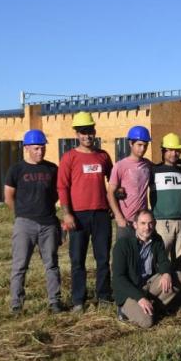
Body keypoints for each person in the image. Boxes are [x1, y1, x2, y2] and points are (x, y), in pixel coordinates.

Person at [58, 111, 113, 312]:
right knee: (77, 260)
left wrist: (115, 202)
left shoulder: (103, 156)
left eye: (89, 131)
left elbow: (113, 182)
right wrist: (67, 213)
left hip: (101, 214)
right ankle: (79, 301)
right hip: (78, 216)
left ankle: (104, 296)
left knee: (103, 258)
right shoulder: (69, 158)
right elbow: (62, 187)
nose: (87, 135)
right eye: (83, 132)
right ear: (77, 134)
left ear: (94, 131)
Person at [4, 129, 63, 314]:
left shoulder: (52, 169)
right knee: (20, 265)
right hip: (25, 224)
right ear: (27, 148)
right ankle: (16, 304)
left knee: (52, 264)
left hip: (48, 224)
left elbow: (56, 194)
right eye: (36, 148)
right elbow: (8, 197)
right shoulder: (16, 170)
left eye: (43, 148)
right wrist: (21, 215)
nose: (40, 152)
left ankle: (55, 301)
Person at [112, 209, 181, 328]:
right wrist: (140, 298)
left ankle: (152, 307)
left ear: (154, 224)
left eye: (150, 223)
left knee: (180, 277)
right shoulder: (123, 245)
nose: (147, 227)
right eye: (143, 223)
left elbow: (163, 260)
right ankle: (124, 310)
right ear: (135, 224)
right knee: (147, 322)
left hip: (149, 284)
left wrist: (166, 273)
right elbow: (119, 278)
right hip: (130, 291)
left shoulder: (156, 239)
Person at [150, 133, 181, 264]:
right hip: (162, 222)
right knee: (161, 258)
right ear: (163, 151)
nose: (174, 153)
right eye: (170, 150)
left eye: (177, 150)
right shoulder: (154, 170)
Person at [107, 126, 153, 239]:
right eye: (139, 145)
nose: (143, 149)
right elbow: (110, 193)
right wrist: (119, 218)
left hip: (142, 222)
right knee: (125, 254)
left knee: (143, 255)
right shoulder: (120, 166)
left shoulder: (148, 165)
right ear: (130, 143)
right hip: (126, 221)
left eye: (145, 145)